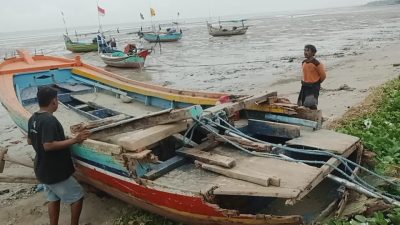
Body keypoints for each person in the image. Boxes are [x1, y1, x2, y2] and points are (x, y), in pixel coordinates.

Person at [27, 86, 90, 225]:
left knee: (53, 198)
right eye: (57, 99)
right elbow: (48, 145)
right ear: (54, 101)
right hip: (54, 171)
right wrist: (75, 139)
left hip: (41, 168)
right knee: (77, 196)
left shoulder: (33, 118)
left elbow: (30, 140)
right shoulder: (50, 120)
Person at [297, 44, 326, 110]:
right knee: (302, 103)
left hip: (313, 87)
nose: (305, 52)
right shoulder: (304, 62)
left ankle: (315, 116)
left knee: (311, 104)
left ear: (313, 53)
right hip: (304, 86)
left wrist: (316, 83)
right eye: (304, 50)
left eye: (308, 50)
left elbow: (323, 76)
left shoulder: (317, 63)